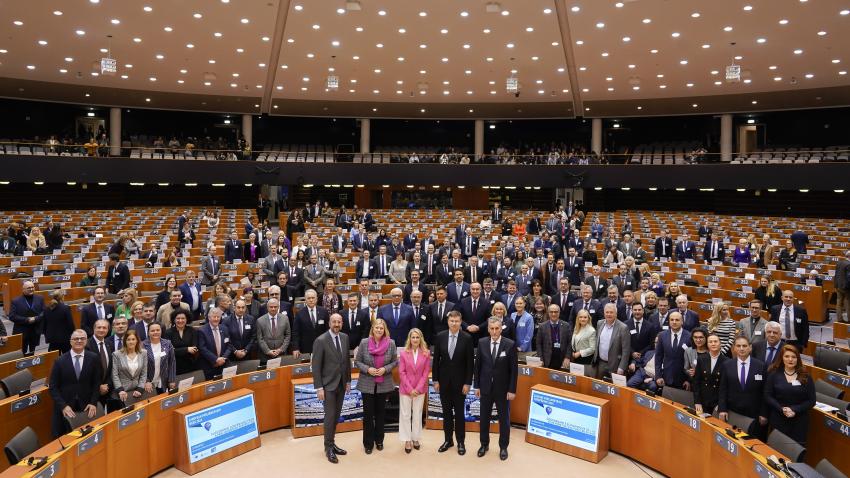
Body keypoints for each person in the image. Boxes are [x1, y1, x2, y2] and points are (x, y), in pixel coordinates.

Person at [474, 317, 518, 461]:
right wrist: (477, 386)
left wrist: (512, 390)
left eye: (496, 328)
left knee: (504, 420)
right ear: (488, 329)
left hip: (503, 390)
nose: (494, 331)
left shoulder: (510, 344)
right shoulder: (481, 343)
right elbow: (478, 367)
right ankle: (484, 444)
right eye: (491, 328)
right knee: (484, 418)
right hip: (485, 388)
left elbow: (514, 370)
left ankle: (503, 447)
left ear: (501, 328)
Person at [311, 313, 351, 464]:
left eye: (339, 322)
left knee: (336, 416)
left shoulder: (345, 337)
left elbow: (346, 361)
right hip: (327, 385)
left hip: (341, 384)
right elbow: (316, 367)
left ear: (342, 323)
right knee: (330, 416)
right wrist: (319, 387)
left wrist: (348, 381)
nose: (336, 324)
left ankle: (332, 443)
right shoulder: (320, 340)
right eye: (334, 322)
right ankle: (328, 448)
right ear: (329, 323)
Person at [432, 311, 474, 455]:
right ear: (448, 322)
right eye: (452, 321)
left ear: (461, 321)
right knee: (446, 414)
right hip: (443, 383)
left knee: (460, 415)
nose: (454, 323)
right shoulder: (440, 336)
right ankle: (448, 440)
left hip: (460, 384)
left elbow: (470, 364)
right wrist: (435, 380)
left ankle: (460, 442)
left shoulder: (467, 338)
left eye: (457, 321)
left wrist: (468, 383)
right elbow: (436, 361)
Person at [354, 319, 398, 454]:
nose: (379, 330)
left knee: (380, 414)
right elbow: (357, 361)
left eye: (381, 328)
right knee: (368, 415)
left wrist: (385, 369)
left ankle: (379, 440)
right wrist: (368, 369)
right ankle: (368, 443)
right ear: (373, 329)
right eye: (377, 328)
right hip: (367, 382)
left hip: (383, 383)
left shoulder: (391, 343)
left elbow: (395, 361)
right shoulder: (364, 342)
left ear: (385, 330)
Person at [48, 329, 102, 437]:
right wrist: (63, 406)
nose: (79, 341)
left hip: (86, 406)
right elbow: (53, 387)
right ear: (70, 341)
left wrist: (93, 402)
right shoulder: (60, 361)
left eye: (82, 338)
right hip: (66, 407)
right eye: (76, 339)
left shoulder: (94, 358)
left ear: (86, 341)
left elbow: (97, 383)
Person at [763, 345, 816, 445]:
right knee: (776, 451)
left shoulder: (805, 376)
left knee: (796, 451)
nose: (790, 359)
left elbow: (812, 400)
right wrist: (781, 408)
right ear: (782, 358)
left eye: (793, 357)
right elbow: (767, 396)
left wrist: (795, 409)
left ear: (798, 359)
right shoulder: (774, 374)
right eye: (787, 356)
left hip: (799, 422)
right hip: (778, 419)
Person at [718, 336, 768, 437]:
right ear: (734, 348)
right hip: (733, 412)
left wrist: (764, 413)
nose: (741, 348)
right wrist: (722, 409)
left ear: (750, 348)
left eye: (744, 346)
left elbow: (765, 392)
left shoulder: (760, 366)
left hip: (754, 413)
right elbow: (723, 389)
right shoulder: (727, 365)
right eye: (738, 346)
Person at [693, 333, 728, 415]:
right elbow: (696, 382)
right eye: (710, 342)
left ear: (720, 344)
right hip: (703, 401)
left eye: (715, 341)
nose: (713, 344)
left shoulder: (727, 361)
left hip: (717, 403)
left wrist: (721, 405)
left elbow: (725, 386)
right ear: (707, 344)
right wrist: (697, 402)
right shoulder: (701, 359)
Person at [592, 303, 631, 378]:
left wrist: (622, 367)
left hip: (616, 366)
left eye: (611, 312)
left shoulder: (623, 328)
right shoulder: (599, 323)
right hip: (601, 363)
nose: (609, 314)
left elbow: (626, 351)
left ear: (616, 314)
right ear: (604, 313)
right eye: (607, 312)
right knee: (600, 386)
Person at [655, 311, 691, 390]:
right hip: (666, 378)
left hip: (683, 380)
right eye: (672, 320)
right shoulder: (662, 335)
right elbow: (658, 357)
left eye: (677, 320)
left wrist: (689, 380)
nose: (674, 322)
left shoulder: (689, 336)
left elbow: (692, 361)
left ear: (682, 321)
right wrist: (658, 376)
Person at [111, 330, 148, 405]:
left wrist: (140, 389)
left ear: (137, 340)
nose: (131, 342)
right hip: (122, 392)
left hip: (137, 391)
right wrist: (120, 390)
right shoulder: (117, 354)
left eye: (133, 339)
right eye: (128, 339)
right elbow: (114, 374)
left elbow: (144, 373)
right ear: (125, 341)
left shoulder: (143, 353)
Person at [9, 280, 45, 354]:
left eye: (32, 287)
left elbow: (44, 312)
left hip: (35, 330)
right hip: (22, 331)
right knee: (21, 352)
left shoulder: (40, 298)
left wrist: (36, 318)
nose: (31, 289)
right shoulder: (16, 301)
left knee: (32, 351)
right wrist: (27, 320)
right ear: (23, 289)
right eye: (29, 288)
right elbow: (12, 316)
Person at [292, 289, 330, 356]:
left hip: (322, 346)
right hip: (305, 348)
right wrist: (296, 348)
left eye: (313, 298)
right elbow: (296, 332)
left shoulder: (324, 311)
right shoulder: (299, 313)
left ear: (316, 299)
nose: (311, 300)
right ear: (305, 300)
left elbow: (328, 329)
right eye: (309, 298)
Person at [197, 308, 232, 379]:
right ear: (209, 317)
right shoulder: (202, 331)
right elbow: (202, 349)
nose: (216, 319)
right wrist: (216, 359)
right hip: (209, 365)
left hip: (223, 364)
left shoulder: (224, 328)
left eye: (218, 317)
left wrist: (223, 358)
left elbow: (229, 345)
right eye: (214, 317)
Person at [536, 304, 573, 370]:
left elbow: (570, 343)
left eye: (556, 312)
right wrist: (540, 358)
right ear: (548, 313)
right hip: (547, 360)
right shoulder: (542, 326)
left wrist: (567, 357)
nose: (553, 314)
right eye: (551, 312)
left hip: (562, 360)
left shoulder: (566, 325)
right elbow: (538, 344)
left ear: (559, 313)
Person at [164, 310, 199, 375]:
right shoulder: (168, 332)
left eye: (183, 318)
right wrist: (187, 349)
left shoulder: (192, 330)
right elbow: (169, 351)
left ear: (187, 319)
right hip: (174, 366)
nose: (180, 321)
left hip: (190, 364)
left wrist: (177, 350)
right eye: (178, 318)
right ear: (174, 320)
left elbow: (194, 349)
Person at [256, 298, 290, 364]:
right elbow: (260, 338)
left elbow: (288, 335)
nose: (273, 309)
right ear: (267, 307)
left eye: (275, 307)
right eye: (271, 307)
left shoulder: (285, 319)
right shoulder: (260, 321)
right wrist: (268, 351)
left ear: (278, 307)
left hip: (281, 354)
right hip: (265, 356)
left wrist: (281, 349)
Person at [44, 289, 74, 353]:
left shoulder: (47, 308)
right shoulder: (65, 308)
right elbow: (70, 324)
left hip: (52, 339)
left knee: (54, 358)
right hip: (64, 339)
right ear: (62, 297)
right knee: (66, 357)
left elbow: (44, 324)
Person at [835, 250, 850, 324]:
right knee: (848, 303)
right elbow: (849, 278)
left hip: (838, 286)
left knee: (839, 303)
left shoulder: (839, 262)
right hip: (846, 288)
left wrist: (836, 285)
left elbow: (836, 275)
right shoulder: (849, 264)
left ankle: (839, 319)